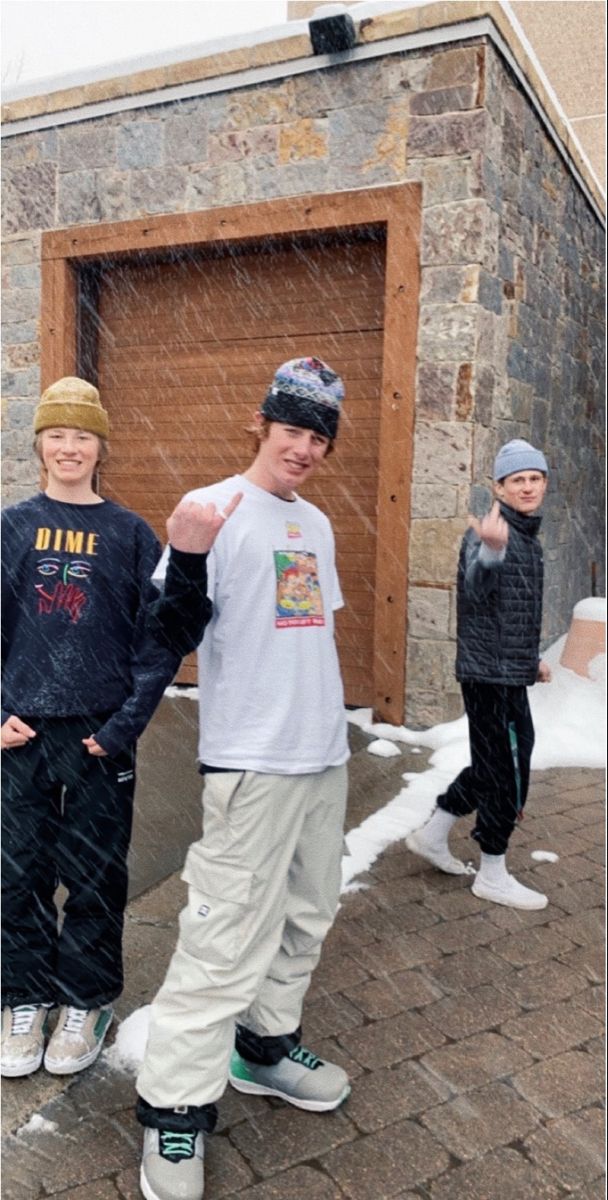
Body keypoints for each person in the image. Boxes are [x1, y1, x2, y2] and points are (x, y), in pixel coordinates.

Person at [136, 357, 351, 1200]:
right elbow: (169, 632)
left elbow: (306, 636)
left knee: (307, 911)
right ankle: (175, 1112)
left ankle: (263, 1048)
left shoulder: (317, 525)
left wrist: (330, 733)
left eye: (319, 436)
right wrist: (186, 556)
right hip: (252, 761)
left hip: (322, 756)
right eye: (292, 429)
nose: (304, 448)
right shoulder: (213, 510)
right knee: (225, 938)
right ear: (261, 425)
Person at [1, 376, 240, 1080]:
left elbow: (162, 637)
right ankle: (22, 996)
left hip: (99, 740)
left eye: (82, 435)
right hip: (21, 735)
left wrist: (125, 725)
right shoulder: (11, 527)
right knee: (16, 875)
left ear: (101, 446)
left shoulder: (132, 536)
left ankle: (85, 1001)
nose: (69, 447)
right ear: (39, 443)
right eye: (57, 433)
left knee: (97, 877)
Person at [406, 438, 552, 911]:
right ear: (499, 487)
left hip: (507, 671)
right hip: (487, 675)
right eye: (518, 480)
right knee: (505, 770)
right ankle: (492, 870)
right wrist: (490, 552)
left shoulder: (528, 538)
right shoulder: (488, 532)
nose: (528, 487)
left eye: (535, 478)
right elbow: (477, 586)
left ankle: (433, 833)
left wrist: (531, 660)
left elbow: (509, 614)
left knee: (499, 762)